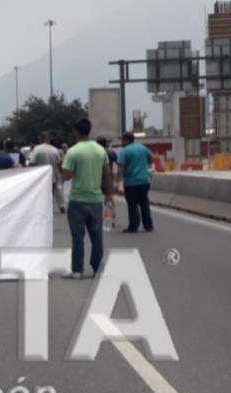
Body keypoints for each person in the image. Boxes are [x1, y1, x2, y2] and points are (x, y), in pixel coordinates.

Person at [62, 118, 113, 280]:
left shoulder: (73, 151)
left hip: (77, 199)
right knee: (96, 236)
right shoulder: (100, 150)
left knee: (78, 237)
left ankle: (77, 270)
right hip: (96, 199)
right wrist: (109, 195)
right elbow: (107, 174)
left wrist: (60, 164)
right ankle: (98, 268)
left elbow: (67, 176)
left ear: (76, 131)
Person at [116, 131, 155, 233]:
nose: (122, 142)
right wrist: (145, 165)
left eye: (122, 140)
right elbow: (152, 158)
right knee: (144, 204)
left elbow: (121, 168)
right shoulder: (142, 147)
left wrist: (118, 182)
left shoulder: (124, 151)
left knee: (132, 204)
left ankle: (134, 226)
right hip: (144, 181)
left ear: (126, 140)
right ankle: (148, 225)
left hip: (131, 182)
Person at [30, 133, 67, 214]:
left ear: (41, 139)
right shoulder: (54, 149)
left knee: (41, 192)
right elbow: (59, 163)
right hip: (53, 174)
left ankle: (43, 207)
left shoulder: (37, 149)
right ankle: (61, 206)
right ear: (49, 139)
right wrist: (62, 173)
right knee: (55, 191)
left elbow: (32, 162)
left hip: (40, 176)